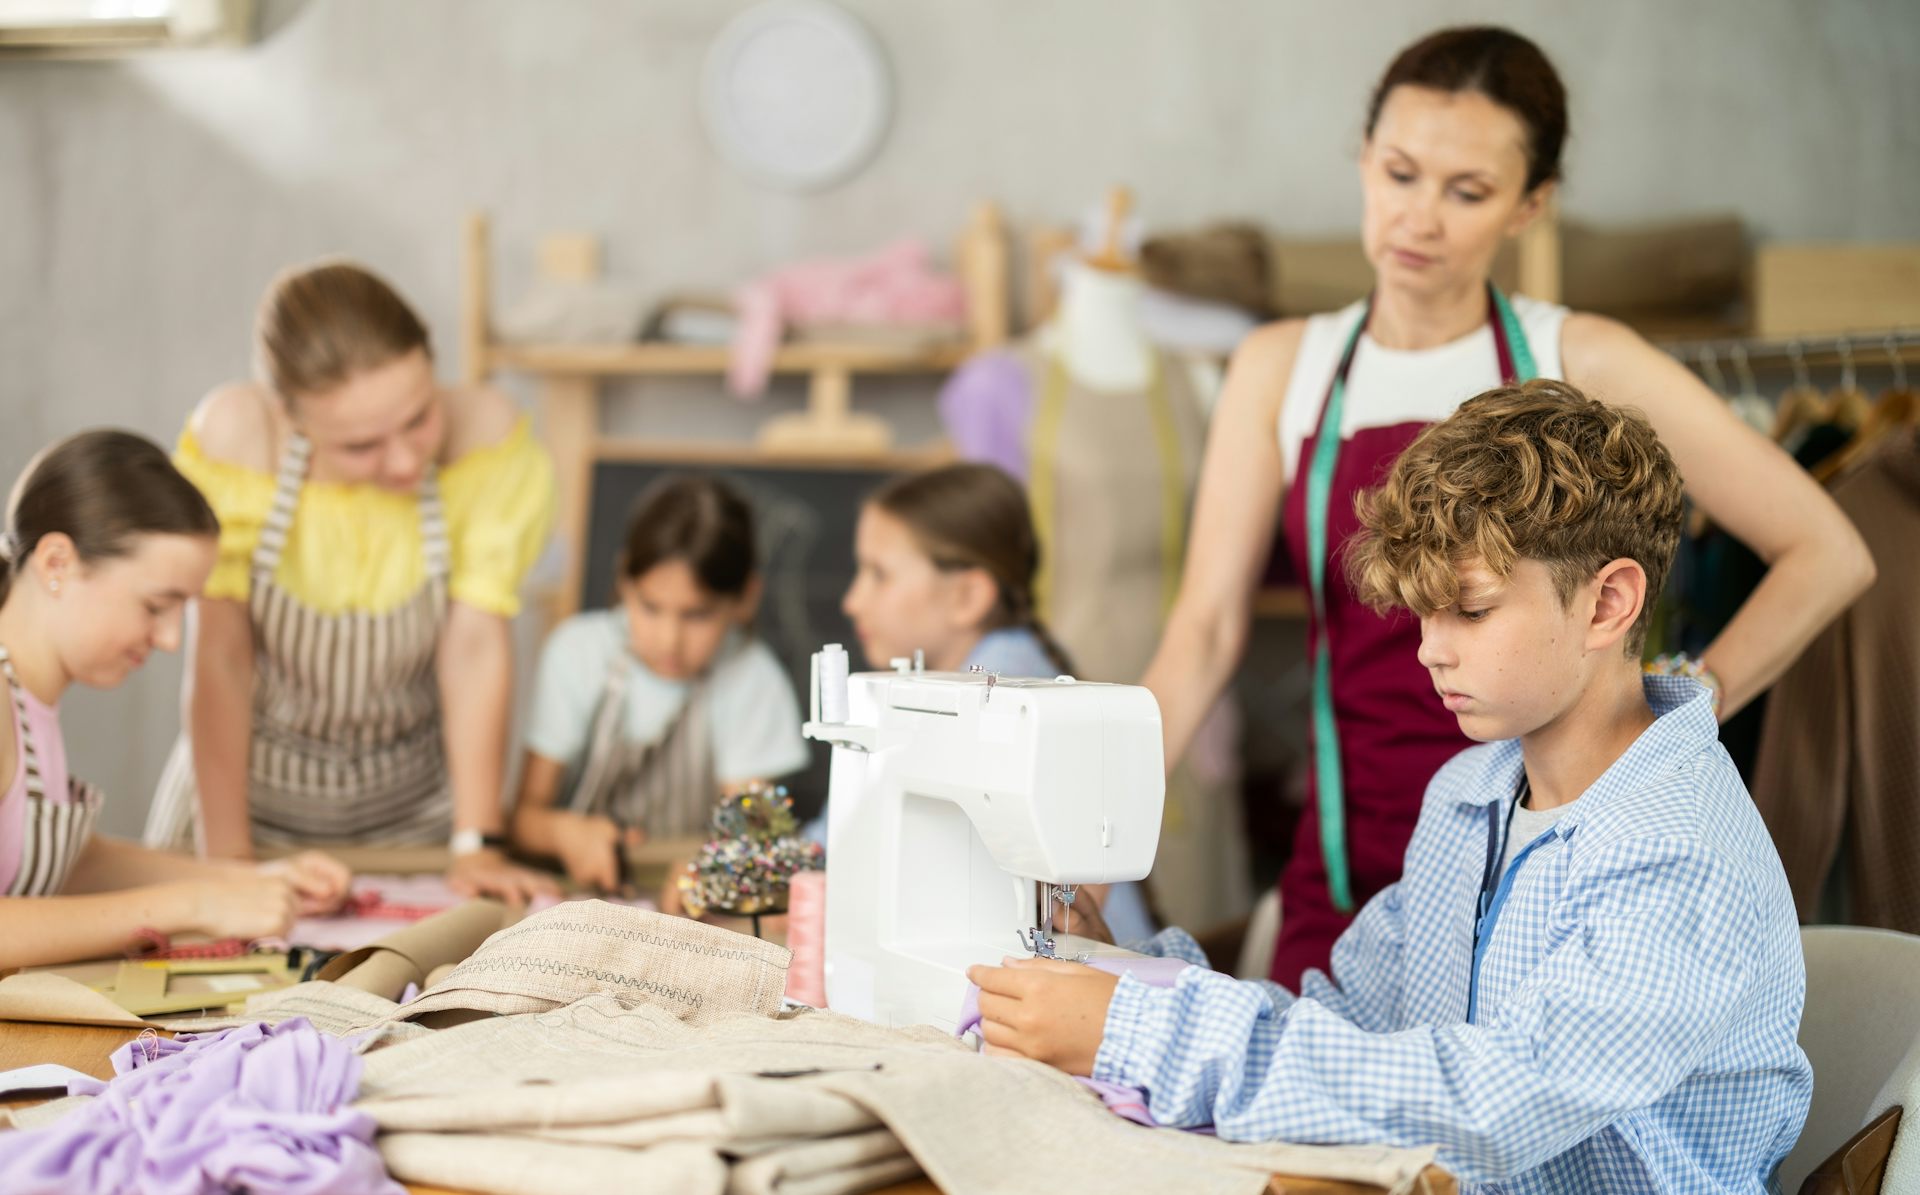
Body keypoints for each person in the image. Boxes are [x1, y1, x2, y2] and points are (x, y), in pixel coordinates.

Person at [1137, 25, 1875, 988]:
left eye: (1468, 191)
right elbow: (1202, 630)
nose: (1420, 218)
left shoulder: (1584, 358)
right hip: (1352, 872)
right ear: (1362, 162)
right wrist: (1086, 816)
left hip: (1550, 860)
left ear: (1532, 205)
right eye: (1399, 173)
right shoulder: (1285, 369)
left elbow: (1828, 550)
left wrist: (1675, 716)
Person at [969, 382, 1812, 1192]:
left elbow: (1493, 1105)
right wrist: (1127, 978)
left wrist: (1144, 1033)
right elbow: (1352, 1022)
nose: (1429, 652)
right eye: (1423, 615)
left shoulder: (1680, 852)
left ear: (1607, 604)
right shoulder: (1470, 793)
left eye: (1470, 611)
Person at [144, 261, 557, 902]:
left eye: (419, 420)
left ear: (431, 359)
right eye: (361, 446)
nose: (402, 460)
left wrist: (478, 843)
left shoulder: (486, 438)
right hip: (244, 808)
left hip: (415, 815)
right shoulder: (240, 437)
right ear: (293, 418)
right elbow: (221, 658)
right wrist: (228, 865)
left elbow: (474, 650)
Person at [0, 430, 348, 970]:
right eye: (156, 605)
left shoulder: (26, 699)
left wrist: (250, 881)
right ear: (56, 563)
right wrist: (191, 904)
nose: (170, 640)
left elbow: (61, 862)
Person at [838, 462, 1155, 943]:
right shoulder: (996, 671)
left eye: (878, 575)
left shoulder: (999, 685)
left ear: (967, 596)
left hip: (1093, 963)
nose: (852, 600)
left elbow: (849, 834)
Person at [510, 475, 808, 893]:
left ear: (746, 598)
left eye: (697, 615)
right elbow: (523, 821)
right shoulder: (576, 653)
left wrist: (715, 873)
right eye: (650, 607)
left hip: (692, 912)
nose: (669, 639)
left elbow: (755, 840)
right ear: (623, 581)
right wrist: (564, 833)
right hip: (573, 897)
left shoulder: (754, 678)